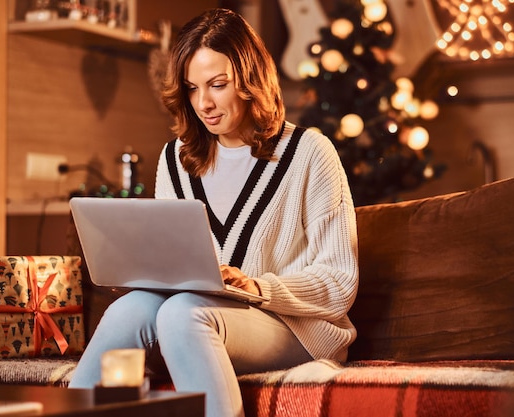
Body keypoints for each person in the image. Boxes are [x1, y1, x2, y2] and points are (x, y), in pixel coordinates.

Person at [68, 8, 359, 417]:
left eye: (218, 85)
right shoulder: (175, 161)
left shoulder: (310, 152)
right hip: (201, 314)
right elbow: (175, 266)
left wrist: (258, 287)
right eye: (192, 88)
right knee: (131, 309)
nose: (203, 103)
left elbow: (339, 282)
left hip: (296, 328)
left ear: (250, 81)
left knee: (184, 314)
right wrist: (143, 274)